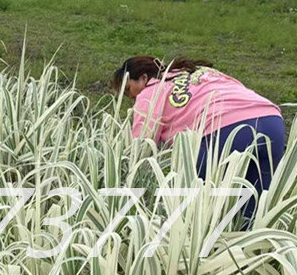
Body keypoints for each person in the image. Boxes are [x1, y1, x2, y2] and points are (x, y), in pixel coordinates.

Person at [111, 56, 286, 199]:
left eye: (128, 89)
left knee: (190, 200)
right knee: (255, 206)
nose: (130, 96)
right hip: (271, 121)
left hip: (225, 130)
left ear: (143, 78)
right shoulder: (198, 72)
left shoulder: (150, 91)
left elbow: (141, 145)